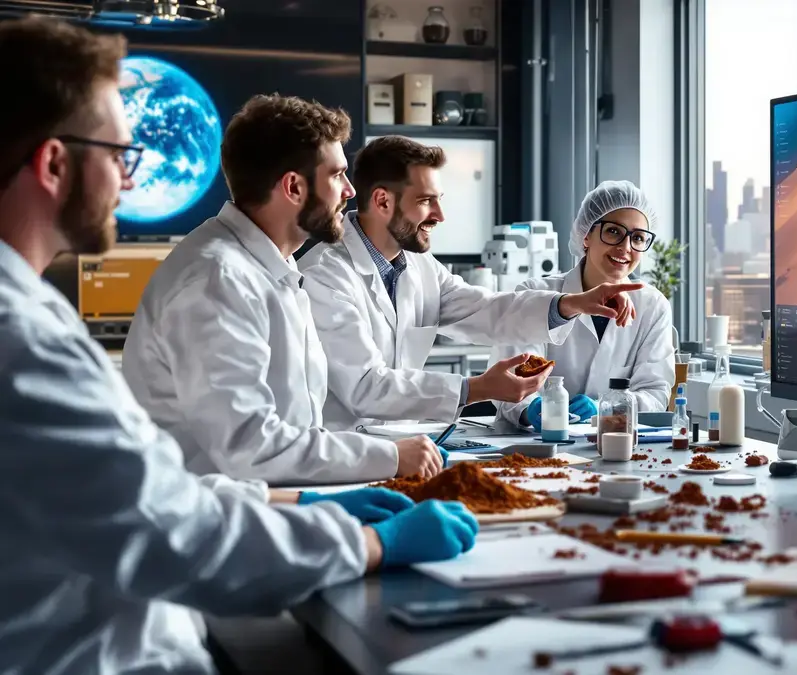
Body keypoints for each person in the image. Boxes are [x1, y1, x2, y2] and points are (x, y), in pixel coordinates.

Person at [0, 18, 477, 674]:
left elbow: (164, 492)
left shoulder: (269, 271)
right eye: (120, 157)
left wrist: (306, 502)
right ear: (55, 163)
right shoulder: (31, 336)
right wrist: (365, 541)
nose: (129, 183)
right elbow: (176, 522)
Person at [121, 97, 446, 484]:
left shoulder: (275, 265)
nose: (349, 191)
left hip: (267, 497)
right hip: (215, 510)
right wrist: (390, 456)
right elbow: (250, 447)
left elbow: (295, 426)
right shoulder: (218, 279)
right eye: (337, 175)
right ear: (293, 187)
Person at [298, 135, 644, 428]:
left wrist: (571, 304)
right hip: (341, 453)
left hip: (399, 447)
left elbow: (486, 310)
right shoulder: (324, 275)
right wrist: (476, 388)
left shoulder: (419, 266)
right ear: (382, 201)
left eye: (439, 200)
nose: (440, 215)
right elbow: (365, 387)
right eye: (425, 201)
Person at [491, 181, 675, 429]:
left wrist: (607, 407)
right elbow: (511, 381)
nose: (625, 247)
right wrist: (532, 409)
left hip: (613, 440)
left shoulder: (652, 306)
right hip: (535, 441)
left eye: (638, 238)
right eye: (613, 231)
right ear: (586, 235)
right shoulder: (535, 293)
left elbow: (655, 392)